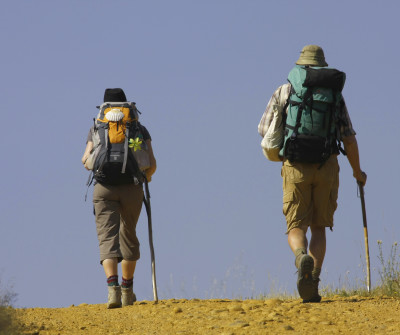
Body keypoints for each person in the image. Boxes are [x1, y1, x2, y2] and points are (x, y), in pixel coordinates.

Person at [258, 45, 367, 302]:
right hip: (327, 166)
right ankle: (313, 281)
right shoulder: (334, 96)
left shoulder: (285, 90)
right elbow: (348, 139)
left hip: (295, 165)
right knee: (319, 228)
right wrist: (357, 172)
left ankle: (301, 258)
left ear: (301, 65)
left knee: (296, 225)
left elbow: (264, 129)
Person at [81, 88, 157, 308]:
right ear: (127, 105)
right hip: (132, 188)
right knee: (128, 236)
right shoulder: (138, 128)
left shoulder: (97, 127)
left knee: (107, 238)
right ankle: (127, 290)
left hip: (104, 188)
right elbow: (151, 164)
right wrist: (145, 179)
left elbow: (86, 160)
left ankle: (112, 291)